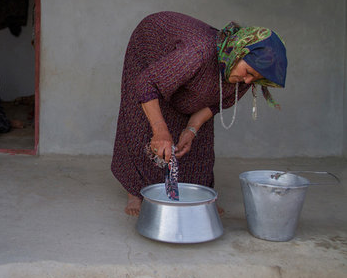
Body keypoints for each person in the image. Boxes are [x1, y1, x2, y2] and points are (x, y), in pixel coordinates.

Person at [111, 11, 287, 216]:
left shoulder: (243, 75)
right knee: (144, 121)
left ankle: (199, 193)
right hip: (150, 48)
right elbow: (146, 84)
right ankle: (135, 191)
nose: (248, 81)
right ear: (239, 51)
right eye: (248, 73)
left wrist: (191, 129)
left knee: (197, 141)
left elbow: (213, 105)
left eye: (255, 78)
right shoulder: (197, 53)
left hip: (183, 71)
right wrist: (159, 130)